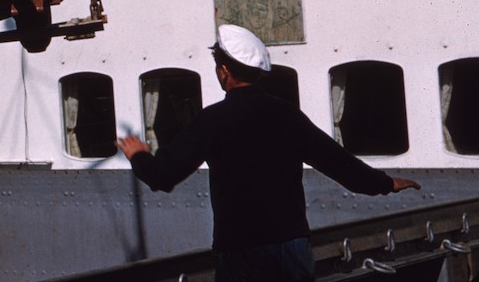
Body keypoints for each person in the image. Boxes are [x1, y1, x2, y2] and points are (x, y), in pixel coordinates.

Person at [115, 25, 420, 281]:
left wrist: (138, 155)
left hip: (242, 252)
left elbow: (163, 177)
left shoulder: (214, 120)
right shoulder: (287, 114)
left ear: (224, 72)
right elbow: (337, 163)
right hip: (293, 247)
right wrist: (385, 183)